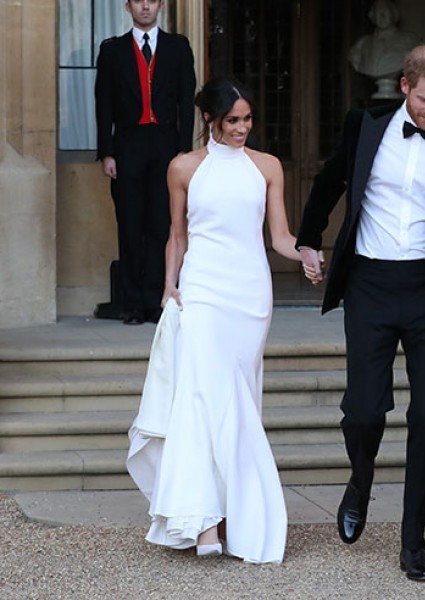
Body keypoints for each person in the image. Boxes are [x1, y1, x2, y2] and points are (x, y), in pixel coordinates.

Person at [298, 45, 425, 582]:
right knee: (364, 412)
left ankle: (414, 542)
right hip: (369, 283)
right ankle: (360, 480)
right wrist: (308, 240)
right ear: (406, 86)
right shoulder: (364, 125)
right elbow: (329, 181)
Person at [126, 77, 303, 564]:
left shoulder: (267, 166)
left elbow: (280, 236)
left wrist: (308, 253)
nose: (242, 128)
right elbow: (177, 234)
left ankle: (231, 516)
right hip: (201, 289)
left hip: (250, 295)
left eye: (248, 119)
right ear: (210, 119)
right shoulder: (183, 167)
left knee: (238, 401)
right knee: (201, 397)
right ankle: (202, 518)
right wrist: (169, 285)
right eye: (233, 121)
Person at [95, 0, 196, 325]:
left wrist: (183, 151)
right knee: (129, 224)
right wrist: (107, 152)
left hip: (166, 147)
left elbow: (186, 101)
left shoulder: (178, 48)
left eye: (152, 1)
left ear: (161, 6)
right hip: (127, 147)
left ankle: (156, 300)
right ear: (128, 7)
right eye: (139, 1)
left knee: (161, 224)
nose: (145, 7)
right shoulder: (112, 51)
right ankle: (132, 303)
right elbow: (103, 104)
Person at [348, 0, 420, 98]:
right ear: (372, 16)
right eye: (378, 12)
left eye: (386, 11)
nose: (382, 15)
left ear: (394, 14)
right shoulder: (362, 45)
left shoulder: (410, 40)